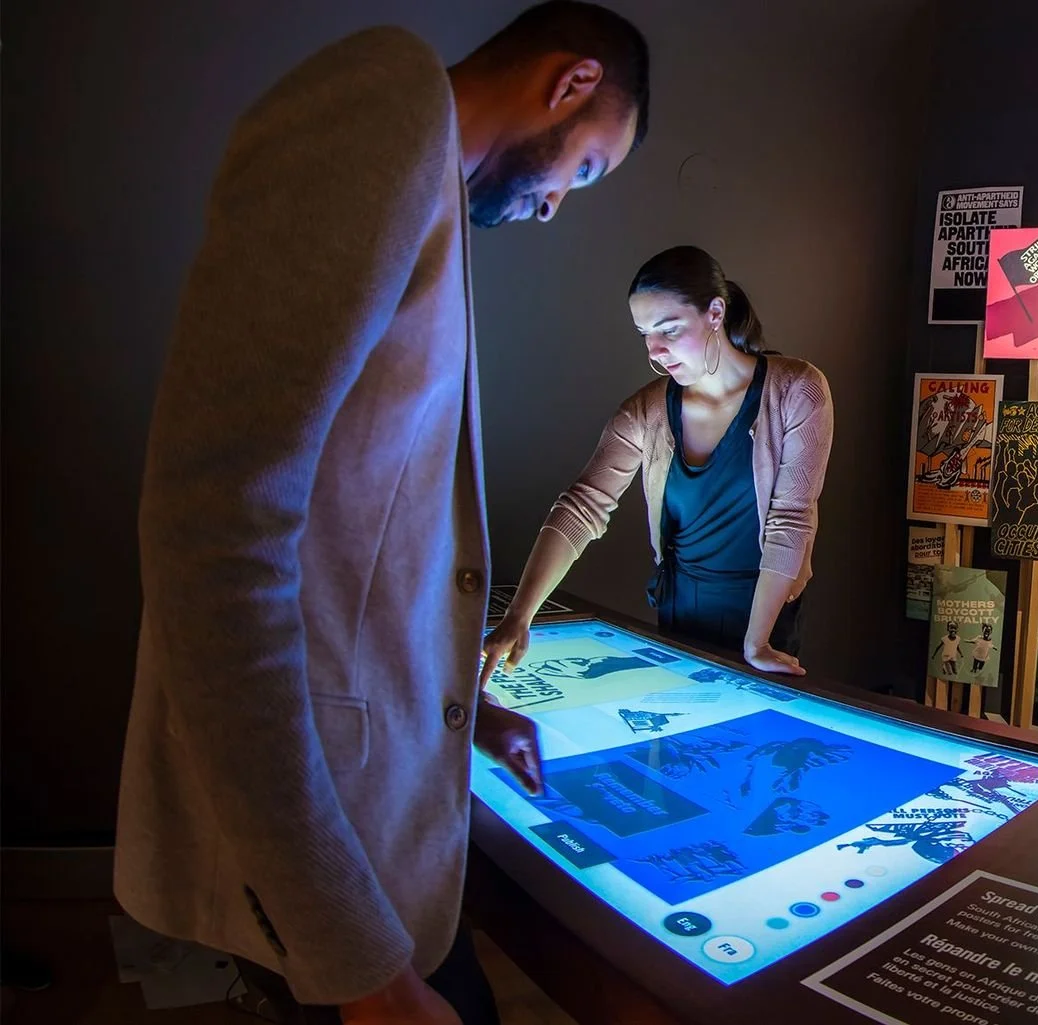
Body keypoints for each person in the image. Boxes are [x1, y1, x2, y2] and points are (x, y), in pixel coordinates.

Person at [113, 6, 650, 1025]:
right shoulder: (384, 99)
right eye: (584, 170)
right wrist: (358, 963)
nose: (553, 208)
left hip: (352, 808)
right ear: (571, 84)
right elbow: (213, 535)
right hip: (317, 840)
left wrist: (463, 712)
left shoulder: (423, 180)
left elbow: (348, 534)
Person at [480, 246, 835, 682]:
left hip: (767, 614)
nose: (655, 350)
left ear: (715, 313)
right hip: (679, 608)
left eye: (668, 329)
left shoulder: (798, 391)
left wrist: (756, 643)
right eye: (644, 333)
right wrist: (520, 615)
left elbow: (791, 520)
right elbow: (582, 507)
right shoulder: (645, 411)